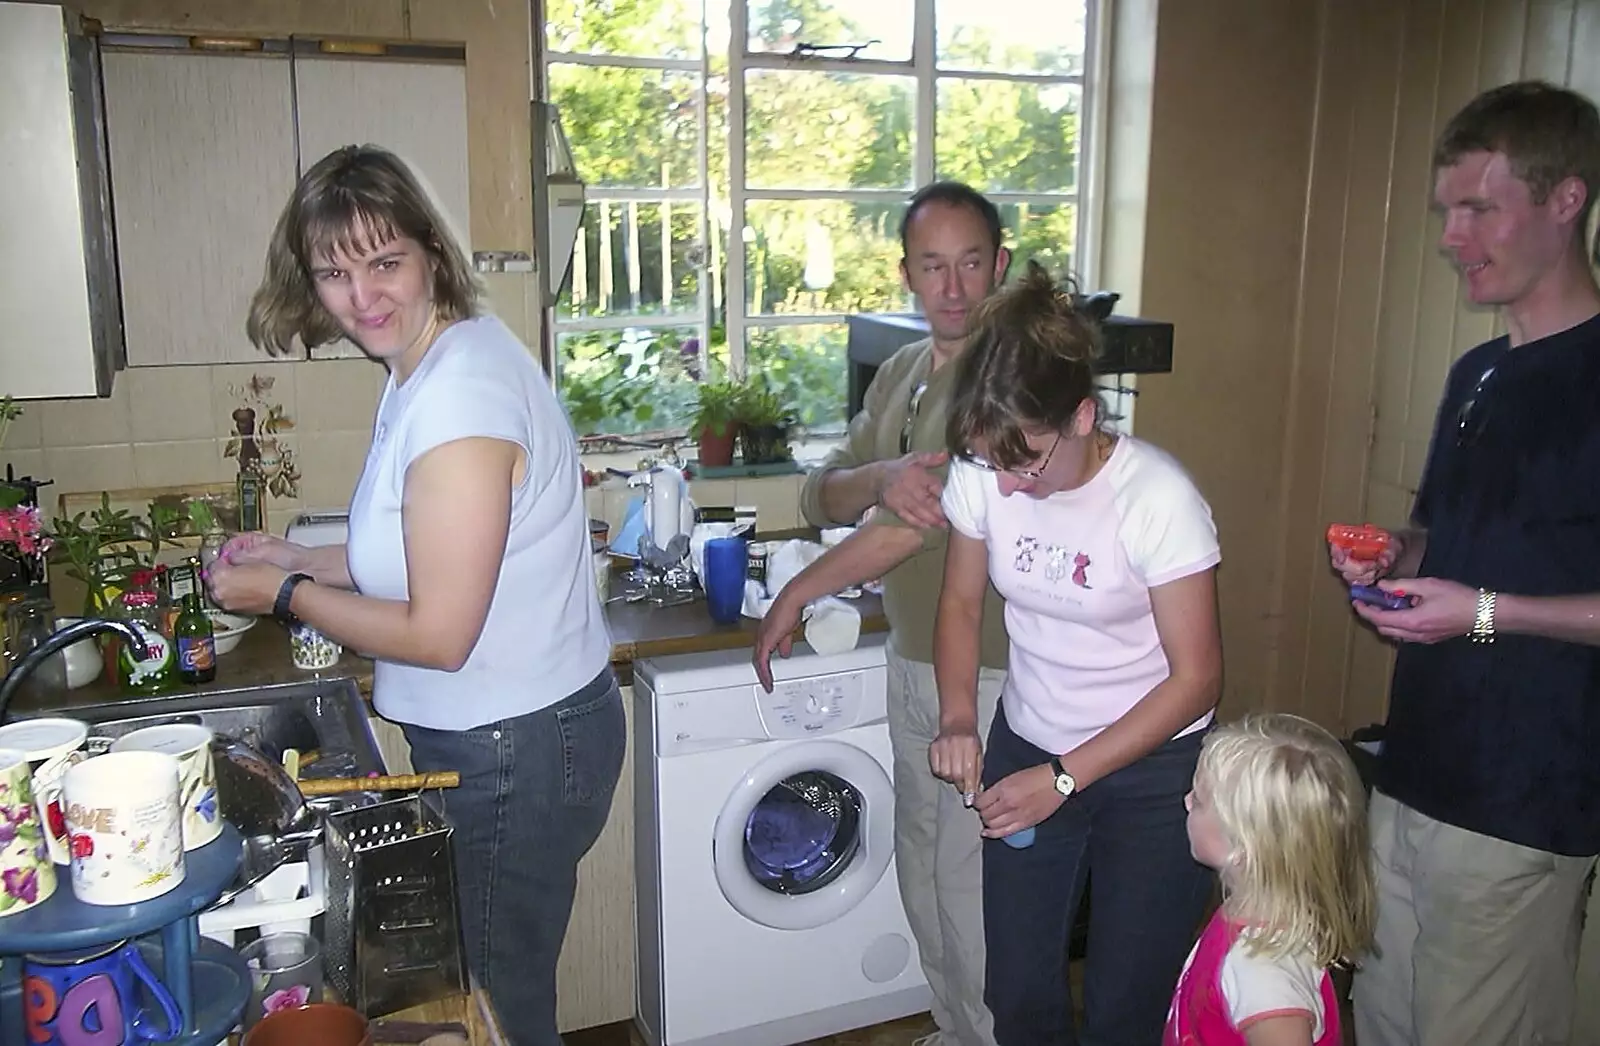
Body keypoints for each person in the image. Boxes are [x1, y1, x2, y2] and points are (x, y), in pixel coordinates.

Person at [206, 145, 623, 1046]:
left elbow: (438, 633)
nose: (364, 298)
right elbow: (423, 546)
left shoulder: (460, 396)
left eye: (385, 262)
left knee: (496, 1002)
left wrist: (284, 593)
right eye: (335, 273)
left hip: (515, 750)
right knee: (490, 989)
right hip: (516, 739)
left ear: (431, 251)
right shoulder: (428, 366)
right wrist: (308, 557)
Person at [1328, 81, 1600, 1046]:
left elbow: (1497, 596)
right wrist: (1392, 555)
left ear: (1565, 200)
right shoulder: (1477, 374)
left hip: (1525, 799)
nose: (1453, 235)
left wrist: (1482, 611)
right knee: (1386, 1021)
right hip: (1414, 771)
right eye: (1449, 211)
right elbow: (1442, 534)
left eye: (1479, 208)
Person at [930, 262, 1223, 1046]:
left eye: (1026, 462)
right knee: (1019, 992)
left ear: (1085, 416)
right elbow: (961, 604)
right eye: (995, 464)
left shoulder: (1157, 500)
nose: (1010, 486)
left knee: (1127, 1000)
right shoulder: (986, 472)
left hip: (1156, 768)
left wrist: (1065, 777)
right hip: (1029, 740)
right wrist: (959, 717)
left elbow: (1198, 680)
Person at [754, 181, 1013, 1046]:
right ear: (906, 273)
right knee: (918, 865)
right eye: (933, 266)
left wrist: (799, 590)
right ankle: (954, 1028)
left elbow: (907, 530)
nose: (952, 287)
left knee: (965, 876)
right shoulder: (904, 371)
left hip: (991, 672)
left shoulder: (1004, 380)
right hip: (910, 657)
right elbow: (821, 490)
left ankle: (987, 1035)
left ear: (998, 266)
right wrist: (878, 476)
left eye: (970, 263)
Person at [1165, 713, 1375, 1046]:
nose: (1186, 801)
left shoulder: (1264, 973)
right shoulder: (1250, 915)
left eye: (1200, 801)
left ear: (1245, 846)